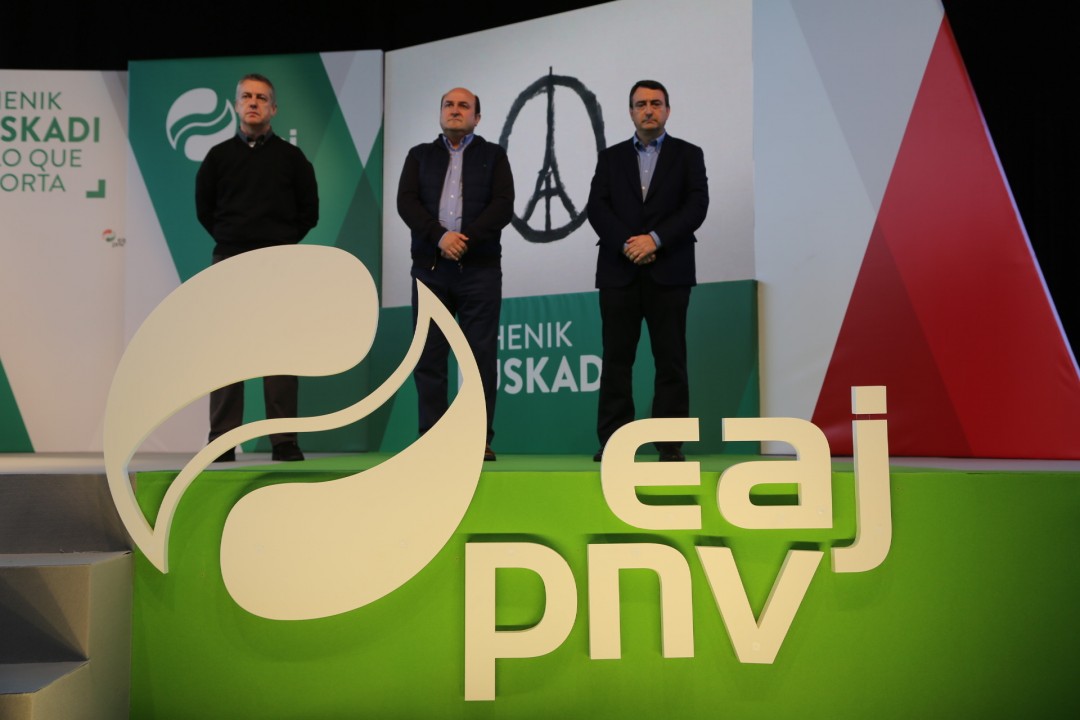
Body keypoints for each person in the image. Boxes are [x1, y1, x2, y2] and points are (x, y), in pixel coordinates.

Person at [195, 73, 319, 462]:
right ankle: (222, 440)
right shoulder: (218, 157)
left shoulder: (292, 158)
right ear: (236, 105)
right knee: (226, 353)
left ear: (274, 108)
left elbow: (309, 212)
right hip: (229, 262)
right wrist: (234, 240)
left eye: (261, 98)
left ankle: (283, 441)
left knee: (280, 352)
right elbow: (205, 209)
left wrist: (278, 244)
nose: (253, 102)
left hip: (279, 263)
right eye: (247, 96)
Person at [587, 79, 709, 462]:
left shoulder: (689, 154)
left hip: (669, 271)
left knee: (670, 360)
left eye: (656, 103)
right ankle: (614, 443)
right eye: (641, 104)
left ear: (667, 110)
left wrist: (654, 240)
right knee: (616, 361)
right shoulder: (610, 158)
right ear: (631, 112)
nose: (648, 110)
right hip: (618, 271)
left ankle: (669, 444)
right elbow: (597, 208)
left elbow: (696, 206)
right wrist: (629, 243)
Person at [397, 87, 514, 461]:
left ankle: (477, 439)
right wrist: (440, 237)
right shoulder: (419, 155)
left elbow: (503, 205)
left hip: (479, 270)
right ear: (440, 113)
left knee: (479, 358)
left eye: (464, 106)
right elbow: (407, 203)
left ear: (477, 117)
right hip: (430, 269)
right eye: (449, 104)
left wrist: (466, 239)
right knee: (429, 358)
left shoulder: (494, 156)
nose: (455, 110)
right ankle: (433, 439)